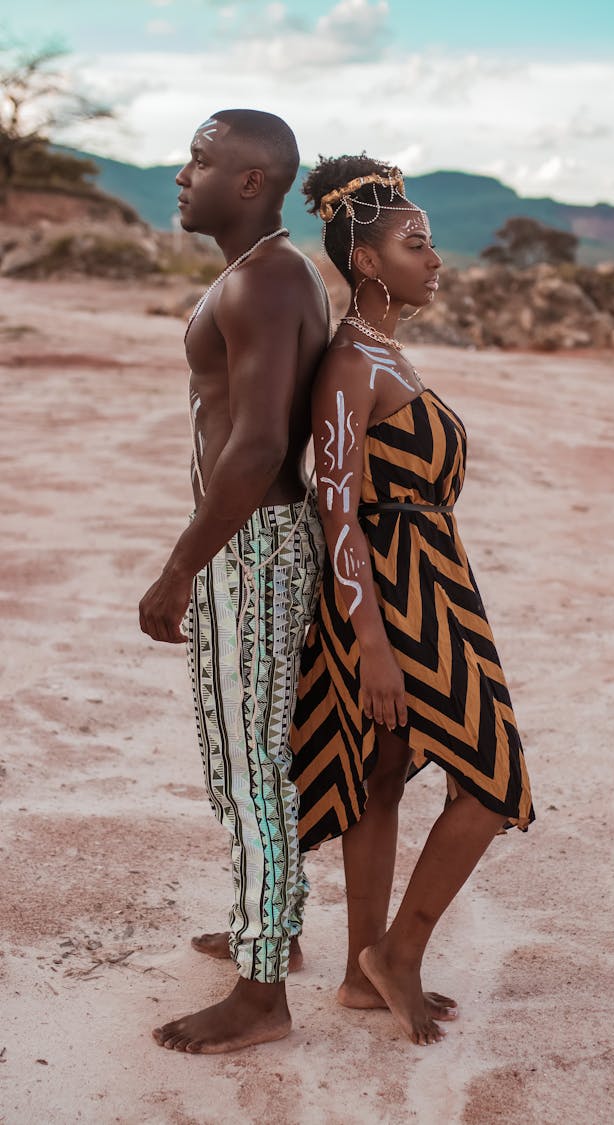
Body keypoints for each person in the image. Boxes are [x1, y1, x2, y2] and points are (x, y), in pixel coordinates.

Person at [289, 155, 535, 1046]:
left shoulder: (389, 351)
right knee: (493, 774)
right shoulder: (351, 361)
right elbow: (337, 506)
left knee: (382, 772)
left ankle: (368, 969)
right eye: (416, 244)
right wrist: (374, 645)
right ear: (366, 262)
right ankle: (394, 954)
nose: (436, 260)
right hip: (390, 598)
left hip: (436, 581)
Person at [138, 109, 329, 1054]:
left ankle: (262, 993)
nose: (183, 173)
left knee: (251, 765)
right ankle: (270, 931)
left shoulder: (267, 281)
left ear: (252, 182)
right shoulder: (267, 273)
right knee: (238, 751)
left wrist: (181, 565)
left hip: (248, 544)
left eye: (201, 160)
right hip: (253, 541)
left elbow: (257, 446)